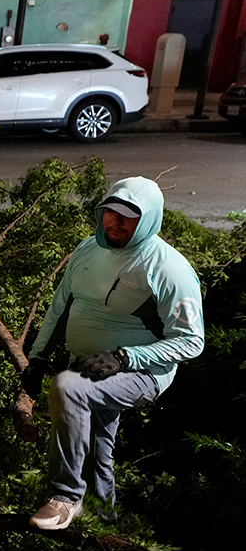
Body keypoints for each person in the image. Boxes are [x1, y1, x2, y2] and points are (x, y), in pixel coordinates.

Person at [22, 178, 205, 529]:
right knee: (94, 448)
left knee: (69, 389)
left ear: (149, 220)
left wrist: (124, 358)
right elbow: (61, 306)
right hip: (91, 366)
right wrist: (38, 357)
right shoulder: (87, 250)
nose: (116, 222)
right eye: (111, 212)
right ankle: (103, 521)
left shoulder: (168, 269)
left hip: (144, 372)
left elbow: (191, 342)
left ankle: (65, 498)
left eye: (129, 217)